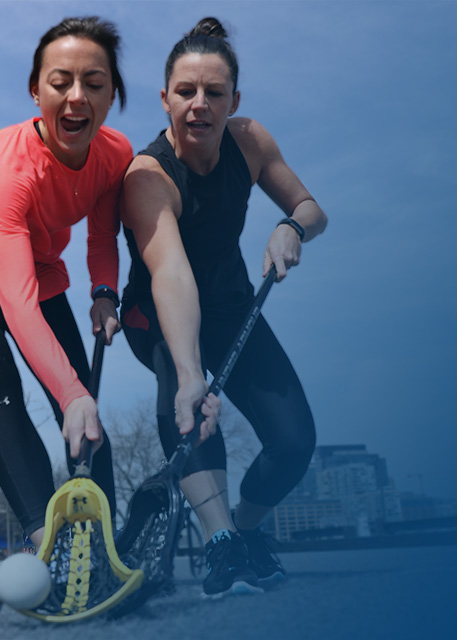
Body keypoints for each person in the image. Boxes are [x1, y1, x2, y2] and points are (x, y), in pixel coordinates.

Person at [120, 17, 327, 598]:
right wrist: (191, 376)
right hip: (159, 314)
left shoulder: (250, 141)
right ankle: (219, 545)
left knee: (294, 441)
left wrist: (291, 227)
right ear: (165, 99)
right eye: (186, 91)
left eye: (214, 93)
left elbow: (313, 208)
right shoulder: (147, 176)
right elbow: (172, 273)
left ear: (234, 100)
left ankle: (246, 530)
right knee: (185, 403)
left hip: (233, 307)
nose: (199, 105)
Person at [0, 16, 131, 550]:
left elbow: (101, 237)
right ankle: (46, 538)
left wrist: (104, 293)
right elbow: (15, 305)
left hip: (40, 275)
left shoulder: (115, 155)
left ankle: (102, 544)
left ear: (113, 94)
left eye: (94, 82)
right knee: (0, 379)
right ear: (35, 90)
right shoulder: (5, 170)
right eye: (60, 81)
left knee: (84, 402)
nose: (76, 97)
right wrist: (68, 393)